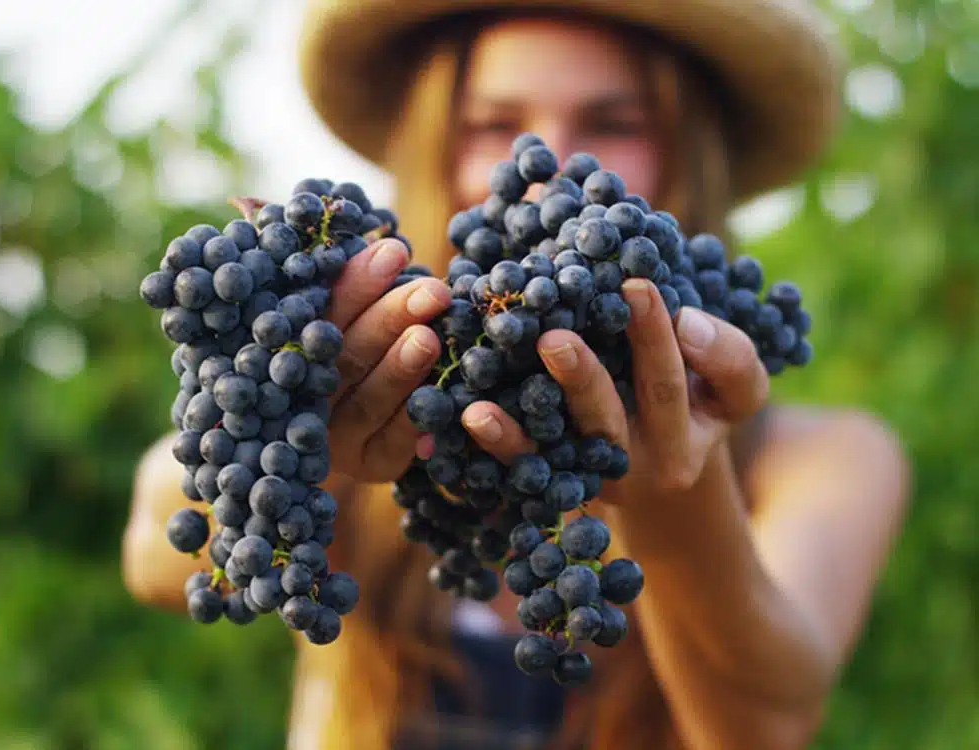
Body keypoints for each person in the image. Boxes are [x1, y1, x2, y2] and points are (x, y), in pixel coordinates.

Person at [123, 0, 911, 748]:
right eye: (493, 124)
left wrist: (676, 496)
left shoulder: (824, 458)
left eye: (614, 123)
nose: (545, 168)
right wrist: (322, 443)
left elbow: (764, 732)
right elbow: (158, 551)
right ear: (432, 145)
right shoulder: (392, 377)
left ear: (691, 154)